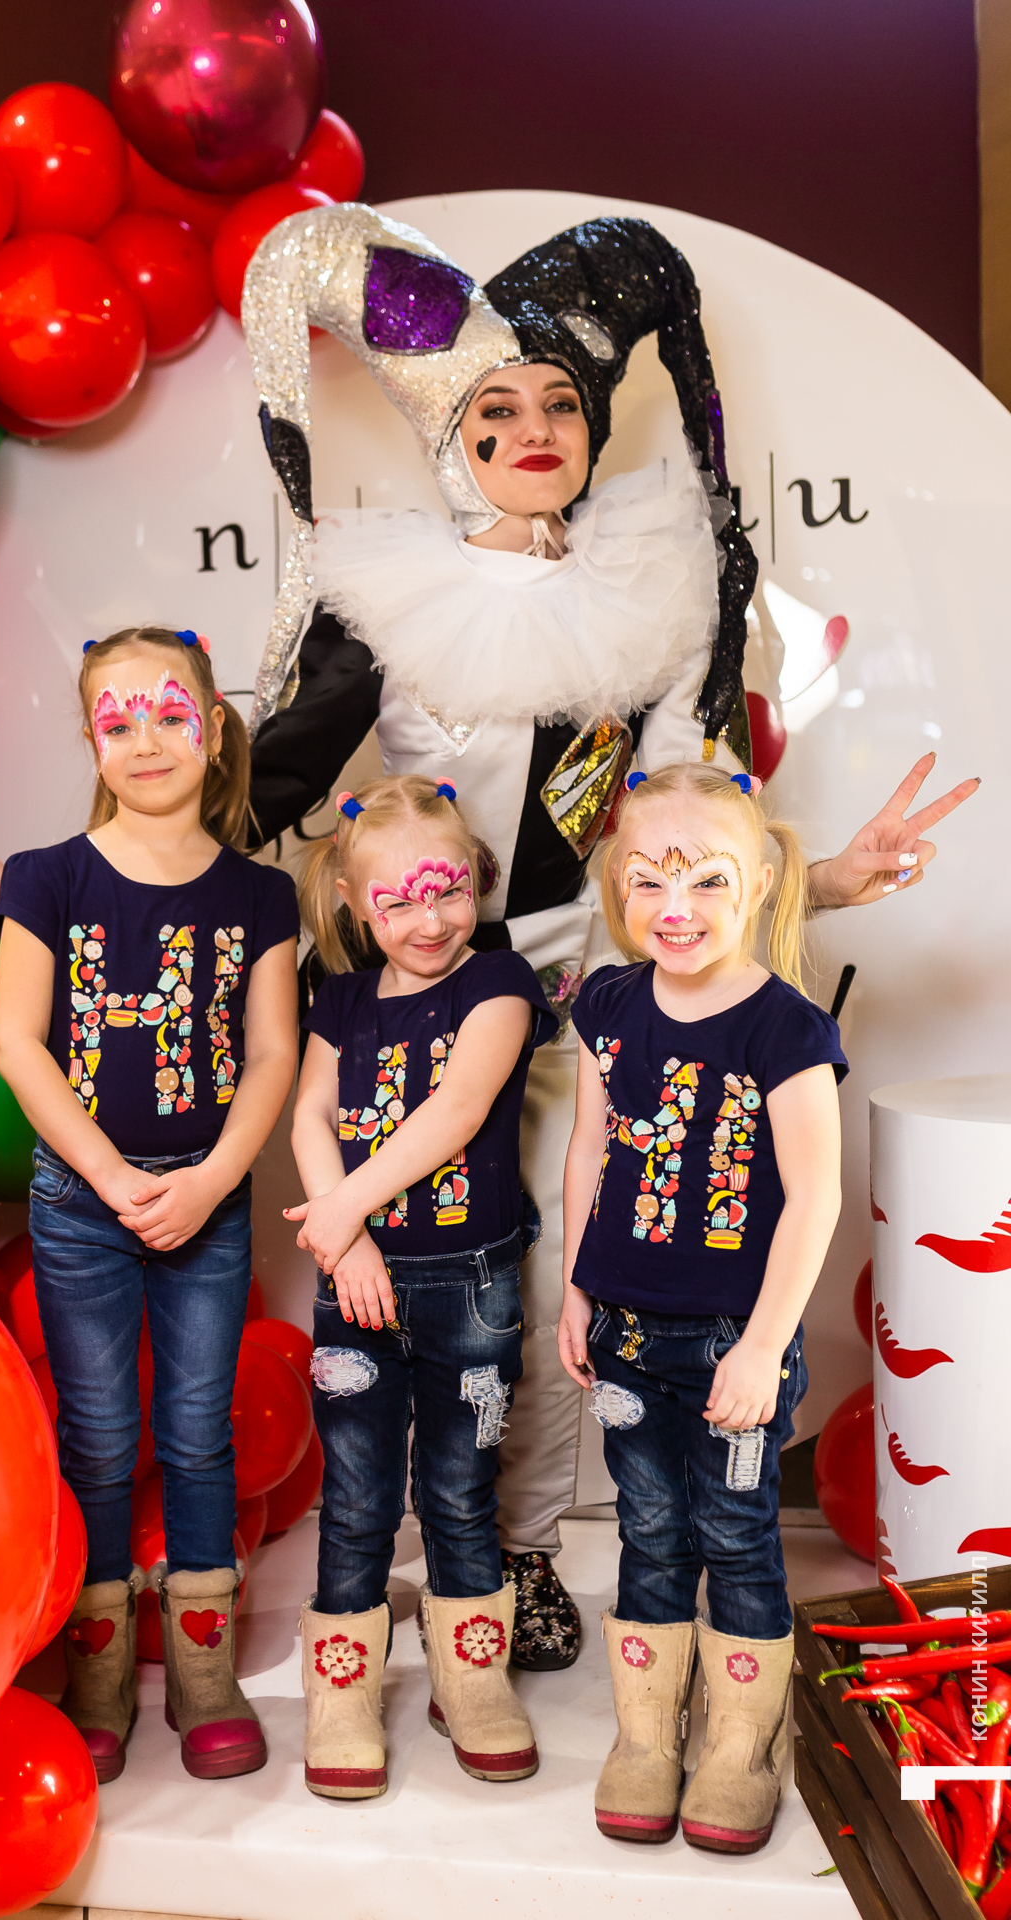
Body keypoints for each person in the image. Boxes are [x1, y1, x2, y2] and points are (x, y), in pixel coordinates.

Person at [238, 200, 980, 1671]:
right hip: (419, 1006)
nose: (531, 430)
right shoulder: (382, 602)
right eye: (495, 411)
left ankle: (517, 1557)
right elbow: (269, 789)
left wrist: (824, 880)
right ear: (453, 438)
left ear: (592, 429)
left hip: (585, 994)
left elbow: (687, 830)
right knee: (419, 1287)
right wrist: (80, 889)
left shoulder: (652, 592)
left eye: (558, 404)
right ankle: (418, 1559)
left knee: (562, 1273)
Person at [0, 625, 299, 1786]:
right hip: (83, 1201)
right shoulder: (46, 877)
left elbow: (271, 1055)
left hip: (204, 1204)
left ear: (211, 727)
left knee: (197, 1430)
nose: (146, 740)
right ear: (90, 739)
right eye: (117, 722)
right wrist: (110, 1177)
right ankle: (101, 1676)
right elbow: (18, 1044)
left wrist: (209, 1181)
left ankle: (206, 1678)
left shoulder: (258, 895)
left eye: (170, 715)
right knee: (100, 1436)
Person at [559, 762, 846, 1854]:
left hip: (734, 1340)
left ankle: (737, 1746)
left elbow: (814, 1196)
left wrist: (765, 1348)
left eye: (706, 880)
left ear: (760, 883)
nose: (672, 908)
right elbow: (589, 1149)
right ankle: (645, 1736)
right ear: (616, 888)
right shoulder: (605, 1005)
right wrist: (574, 1289)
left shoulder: (785, 1029)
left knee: (733, 1535)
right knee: (647, 1529)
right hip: (625, 1331)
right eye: (647, 881)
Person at [285, 773, 557, 1798]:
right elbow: (310, 1116)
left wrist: (341, 1207)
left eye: (446, 890)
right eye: (397, 900)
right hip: (354, 1286)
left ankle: (471, 1679)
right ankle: (342, 1695)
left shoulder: (501, 983)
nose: (427, 919)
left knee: (456, 1490)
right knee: (356, 1498)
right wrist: (344, 1238)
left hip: (469, 1287)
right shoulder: (339, 999)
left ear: (476, 880)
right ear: (356, 904)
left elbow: (456, 1110)